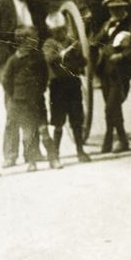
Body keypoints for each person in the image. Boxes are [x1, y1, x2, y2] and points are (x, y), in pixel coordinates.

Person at [0, 0, 48, 165]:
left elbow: (45, 34)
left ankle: (33, 152)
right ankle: (10, 154)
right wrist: (9, 58)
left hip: (32, 63)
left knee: (35, 105)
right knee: (13, 109)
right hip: (11, 63)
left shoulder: (36, 7)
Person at [1, 26, 61, 171]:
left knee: (44, 131)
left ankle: (54, 159)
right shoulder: (14, 60)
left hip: (37, 101)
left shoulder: (39, 57)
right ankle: (31, 162)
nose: (36, 41)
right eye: (33, 38)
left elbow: (44, 74)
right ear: (22, 41)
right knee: (29, 134)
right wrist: (14, 94)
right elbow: (6, 80)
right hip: (21, 103)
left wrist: (40, 89)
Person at [92, 0, 131, 153]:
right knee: (112, 106)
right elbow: (96, 41)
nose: (115, 12)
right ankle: (121, 140)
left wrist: (122, 55)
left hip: (121, 72)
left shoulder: (129, 23)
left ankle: (109, 137)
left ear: (123, 8)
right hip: (105, 71)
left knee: (111, 107)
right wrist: (105, 28)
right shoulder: (108, 23)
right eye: (112, 9)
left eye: (118, 9)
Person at [43, 13, 91, 164]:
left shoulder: (71, 41)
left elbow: (83, 61)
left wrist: (76, 55)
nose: (60, 33)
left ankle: (80, 151)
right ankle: (56, 153)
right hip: (58, 86)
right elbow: (49, 58)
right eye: (56, 30)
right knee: (58, 121)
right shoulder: (49, 43)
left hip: (73, 84)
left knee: (76, 120)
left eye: (62, 29)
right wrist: (64, 53)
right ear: (52, 31)